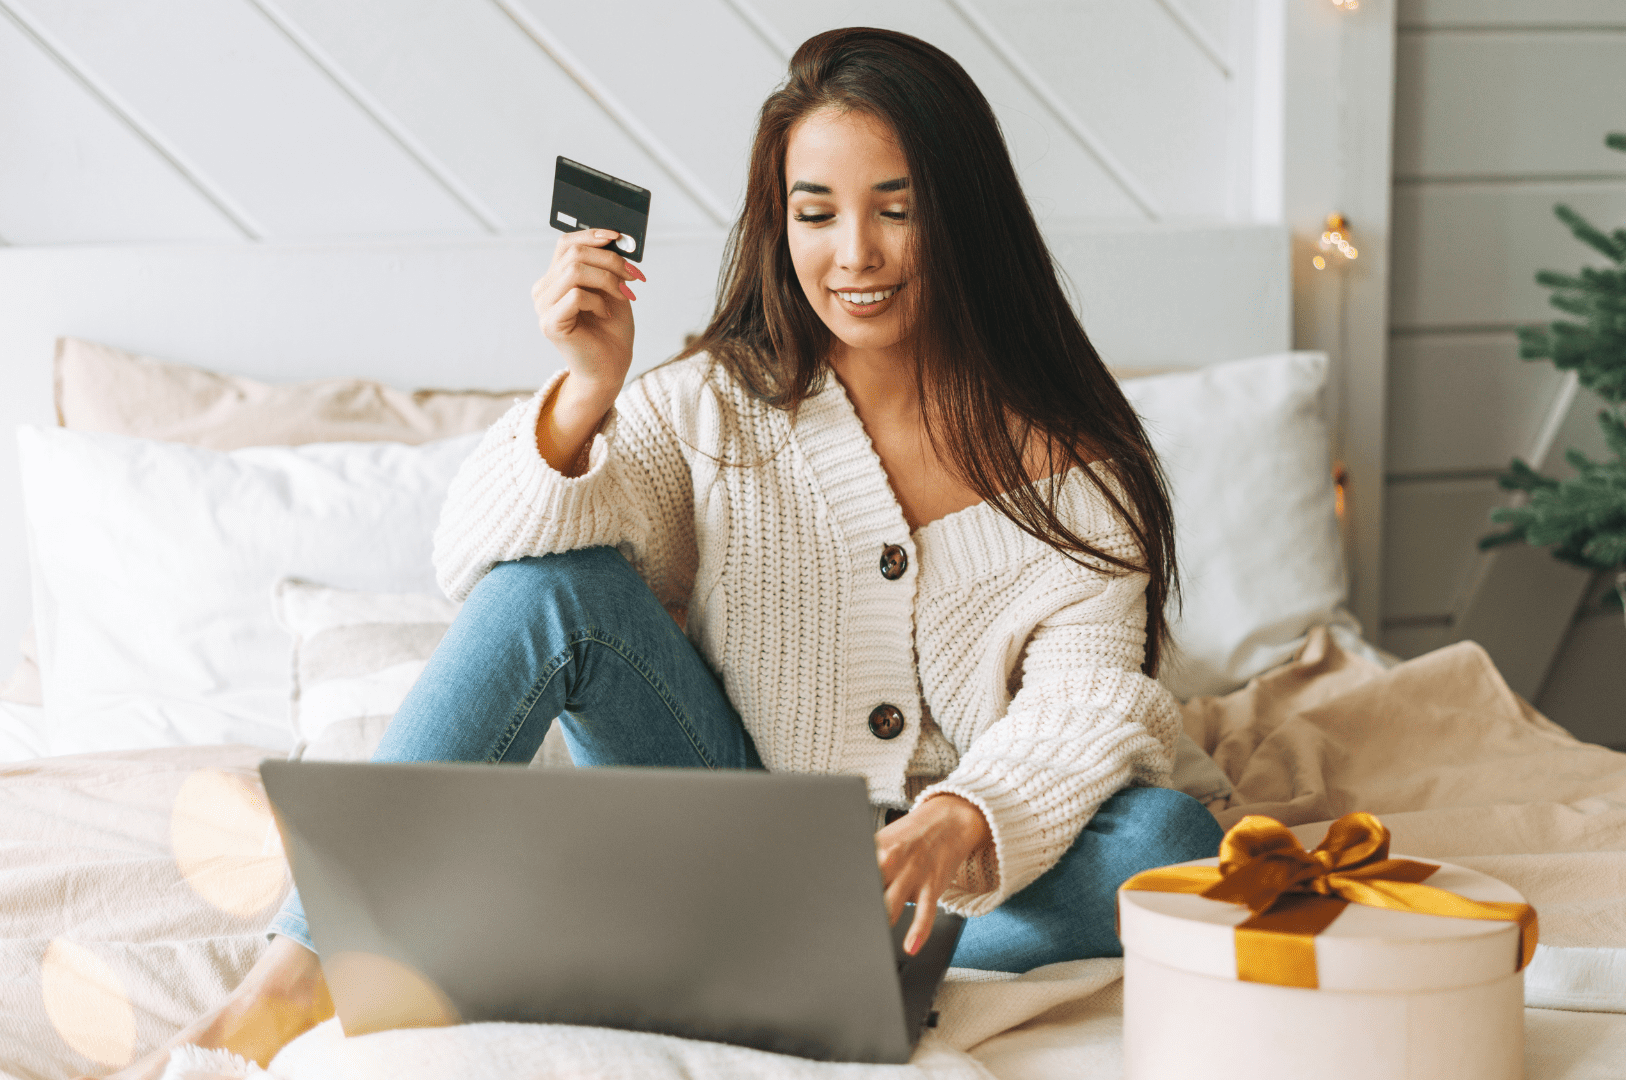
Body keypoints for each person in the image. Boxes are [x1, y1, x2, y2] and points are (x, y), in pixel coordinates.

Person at [94, 26, 1223, 1079]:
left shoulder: (1083, 470)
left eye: (897, 207)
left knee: (1167, 835)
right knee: (556, 589)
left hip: (947, 887)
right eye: (815, 211)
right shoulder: (713, 411)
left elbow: (1087, 702)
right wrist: (589, 390)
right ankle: (294, 976)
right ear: (778, 224)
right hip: (732, 841)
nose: (855, 253)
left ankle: (722, 959)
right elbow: (483, 562)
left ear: (963, 214)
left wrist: (963, 815)